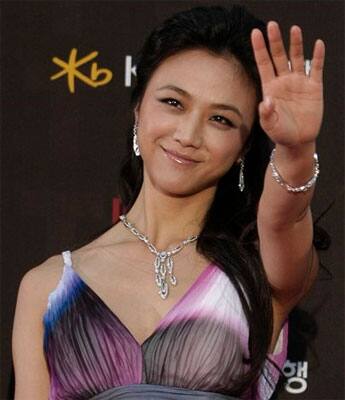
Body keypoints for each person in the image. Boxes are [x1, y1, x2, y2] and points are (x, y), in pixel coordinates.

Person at [12, 4, 325, 400]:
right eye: (174, 103)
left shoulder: (263, 272)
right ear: (139, 107)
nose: (188, 134)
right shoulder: (48, 287)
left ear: (243, 147)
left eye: (221, 120)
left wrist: (296, 152)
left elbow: (286, 217)